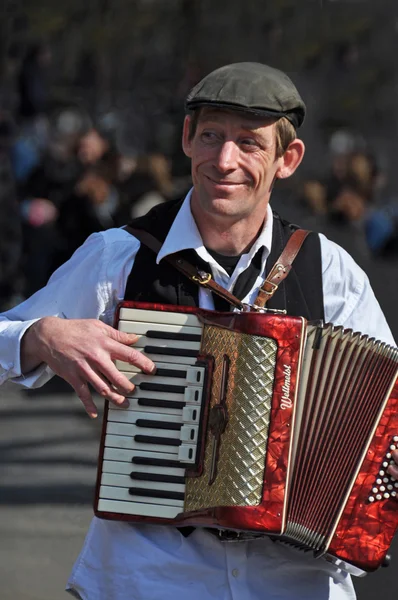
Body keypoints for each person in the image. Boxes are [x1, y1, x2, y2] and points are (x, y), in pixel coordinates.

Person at [0, 62, 397, 600]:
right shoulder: (121, 255)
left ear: (288, 160)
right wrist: (41, 335)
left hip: (296, 583)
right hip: (150, 577)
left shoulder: (330, 271)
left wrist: (365, 511)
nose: (224, 160)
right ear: (188, 139)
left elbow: (386, 416)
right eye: (211, 136)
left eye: (249, 143)